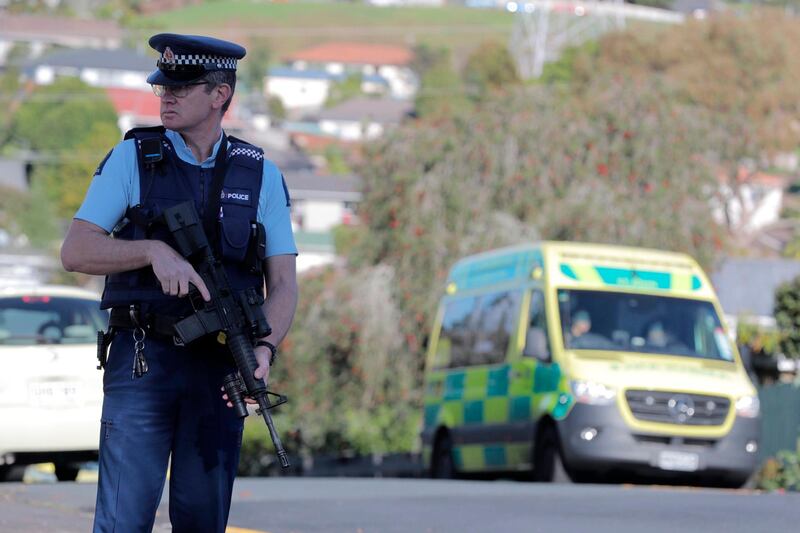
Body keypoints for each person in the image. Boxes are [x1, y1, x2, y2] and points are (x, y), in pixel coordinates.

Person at [60, 33, 298, 533]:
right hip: (144, 361)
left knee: (202, 522)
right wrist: (151, 251)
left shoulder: (262, 176)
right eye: (162, 86)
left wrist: (265, 349)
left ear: (219, 95)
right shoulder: (132, 159)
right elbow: (76, 251)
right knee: (123, 521)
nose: (165, 96)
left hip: (219, 368)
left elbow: (284, 284)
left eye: (181, 88)